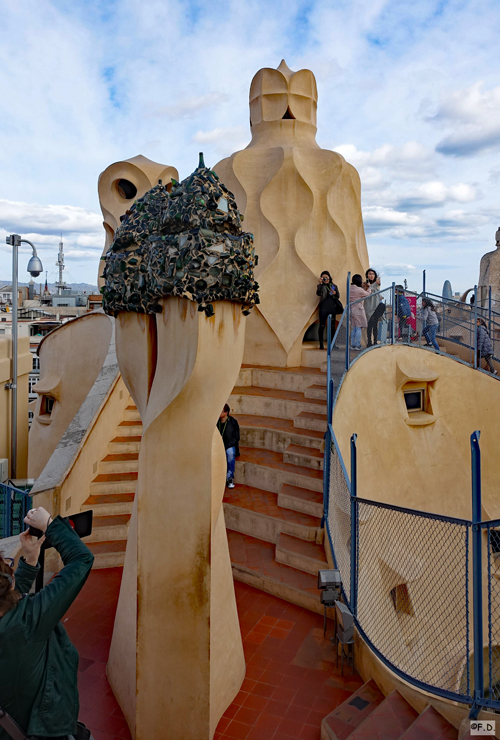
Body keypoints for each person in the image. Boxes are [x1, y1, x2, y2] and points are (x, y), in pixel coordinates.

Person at [0, 506, 94, 740]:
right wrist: (50, 525)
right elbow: (82, 560)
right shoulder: (30, 620)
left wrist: (30, 560)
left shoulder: (15, 620)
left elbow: (9, 605)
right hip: (44, 730)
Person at [316, 271, 342, 350]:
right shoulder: (320, 286)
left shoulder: (333, 286)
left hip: (332, 308)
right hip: (323, 308)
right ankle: (321, 344)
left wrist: (334, 293)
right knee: (322, 326)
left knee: (332, 326)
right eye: (323, 278)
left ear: (329, 278)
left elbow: (338, 296)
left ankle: (333, 344)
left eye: (326, 277)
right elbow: (318, 293)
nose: (325, 279)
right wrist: (320, 284)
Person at [217, 404, 240, 489]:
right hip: (219, 446)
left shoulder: (233, 422)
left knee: (230, 453)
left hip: (229, 446)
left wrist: (226, 446)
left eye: (221, 411)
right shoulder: (216, 422)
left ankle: (229, 478)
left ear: (226, 413)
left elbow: (236, 437)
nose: (219, 412)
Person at [363, 268, 385, 347]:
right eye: (370, 274)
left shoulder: (377, 283)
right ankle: (369, 341)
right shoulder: (365, 284)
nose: (371, 275)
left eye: (373, 274)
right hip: (369, 306)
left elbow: (375, 289)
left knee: (375, 324)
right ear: (367, 275)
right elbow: (367, 290)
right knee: (370, 324)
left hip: (377, 305)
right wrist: (374, 285)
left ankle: (375, 341)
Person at [349, 275, 371, 350]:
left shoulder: (350, 288)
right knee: (358, 327)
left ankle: (352, 344)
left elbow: (360, 293)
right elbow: (367, 294)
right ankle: (357, 345)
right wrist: (369, 287)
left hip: (351, 309)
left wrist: (363, 288)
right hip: (357, 310)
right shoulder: (358, 290)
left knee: (354, 327)